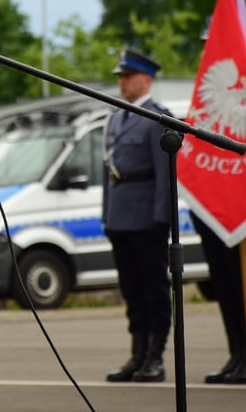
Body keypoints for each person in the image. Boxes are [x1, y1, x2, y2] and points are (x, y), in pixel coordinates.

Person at [102, 49, 172, 383]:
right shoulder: (116, 117)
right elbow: (109, 171)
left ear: (146, 79)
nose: (122, 82)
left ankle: (155, 357)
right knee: (131, 289)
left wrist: (162, 216)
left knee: (153, 289)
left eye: (127, 76)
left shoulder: (158, 117)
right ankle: (137, 354)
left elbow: (164, 173)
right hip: (121, 216)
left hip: (147, 217)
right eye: (120, 77)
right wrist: (107, 216)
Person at [192, 212, 246, 384]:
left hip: (239, 209)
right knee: (222, 284)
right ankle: (237, 353)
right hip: (208, 210)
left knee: (242, 280)